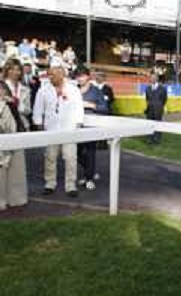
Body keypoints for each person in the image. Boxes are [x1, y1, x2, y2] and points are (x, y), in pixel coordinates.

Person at [32, 64, 84, 197]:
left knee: (71, 157)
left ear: (62, 75)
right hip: (51, 129)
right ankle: (50, 183)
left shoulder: (73, 89)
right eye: (49, 74)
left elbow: (79, 107)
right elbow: (38, 109)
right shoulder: (43, 90)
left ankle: (70, 185)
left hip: (69, 128)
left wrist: (78, 123)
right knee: (50, 157)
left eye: (53, 75)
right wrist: (38, 124)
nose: (50, 77)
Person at [75, 65, 108, 190]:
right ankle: (91, 171)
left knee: (90, 153)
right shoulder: (73, 90)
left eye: (82, 76)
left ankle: (89, 178)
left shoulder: (96, 91)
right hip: (76, 126)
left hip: (90, 126)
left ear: (88, 77)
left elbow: (105, 108)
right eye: (78, 76)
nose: (80, 79)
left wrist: (91, 105)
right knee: (76, 153)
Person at [0, 81, 28, 210]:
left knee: (15, 172)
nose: (1, 92)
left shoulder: (10, 105)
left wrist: (11, 105)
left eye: (3, 90)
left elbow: (17, 123)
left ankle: (16, 199)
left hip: (15, 140)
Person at [144, 72, 167, 144]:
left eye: (154, 78)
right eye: (151, 78)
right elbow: (147, 99)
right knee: (149, 124)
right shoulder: (147, 88)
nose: (152, 79)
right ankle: (149, 139)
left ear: (157, 79)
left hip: (158, 109)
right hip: (149, 109)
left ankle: (157, 139)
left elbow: (164, 99)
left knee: (158, 124)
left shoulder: (162, 88)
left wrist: (159, 106)